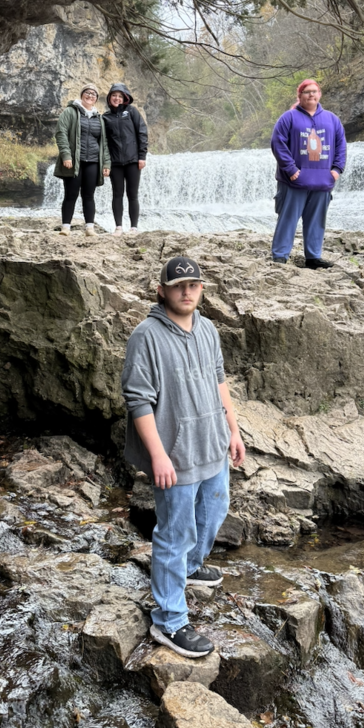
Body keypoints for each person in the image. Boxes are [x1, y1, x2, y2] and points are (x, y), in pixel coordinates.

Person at [121, 256, 245, 658]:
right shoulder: (146, 336)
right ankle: (169, 620)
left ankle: (191, 567)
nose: (186, 292)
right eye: (178, 286)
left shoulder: (207, 329)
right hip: (174, 456)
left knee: (214, 511)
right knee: (174, 534)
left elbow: (219, 380)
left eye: (193, 285)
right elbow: (138, 401)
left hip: (212, 444)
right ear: (162, 291)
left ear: (201, 289)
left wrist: (233, 431)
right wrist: (157, 455)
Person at [270, 78, 347, 268]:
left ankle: (313, 257)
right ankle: (280, 255)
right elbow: (277, 143)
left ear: (319, 94)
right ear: (300, 95)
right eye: (307, 91)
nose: (311, 94)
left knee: (316, 220)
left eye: (314, 91)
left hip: (323, 181)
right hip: (294, 181)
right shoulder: (288, 117)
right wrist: (291, 169)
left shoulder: (332, 119)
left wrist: (336, 170)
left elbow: (341, 145)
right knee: (288, 218)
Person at [54, 85, 111, 235]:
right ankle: (66, 227)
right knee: (71, 194)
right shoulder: (70, 112)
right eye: (87, 93)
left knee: (89, 195)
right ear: (82, 95)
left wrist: (106, 163)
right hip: (74, 161)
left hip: (93, 161)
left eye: (94, 94)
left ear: (96, 98)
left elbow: (104, 143)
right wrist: (66, 155)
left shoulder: (99, 118)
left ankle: (90, 228)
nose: (90, 96)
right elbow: (61, 133)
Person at [103, 83, 148, 235]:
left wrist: (142, 156)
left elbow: (142, 132)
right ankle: (118, 227)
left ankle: (134, 227)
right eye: (114, 95)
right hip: (115, 163)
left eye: (120, 96)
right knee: (117, 194)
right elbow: (104, 142)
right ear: (109, 98)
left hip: (133, 160)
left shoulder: (131, 111)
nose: (117, 98)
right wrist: (106, 163)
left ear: (125, 98)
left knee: (132, 194)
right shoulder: (106, 117)